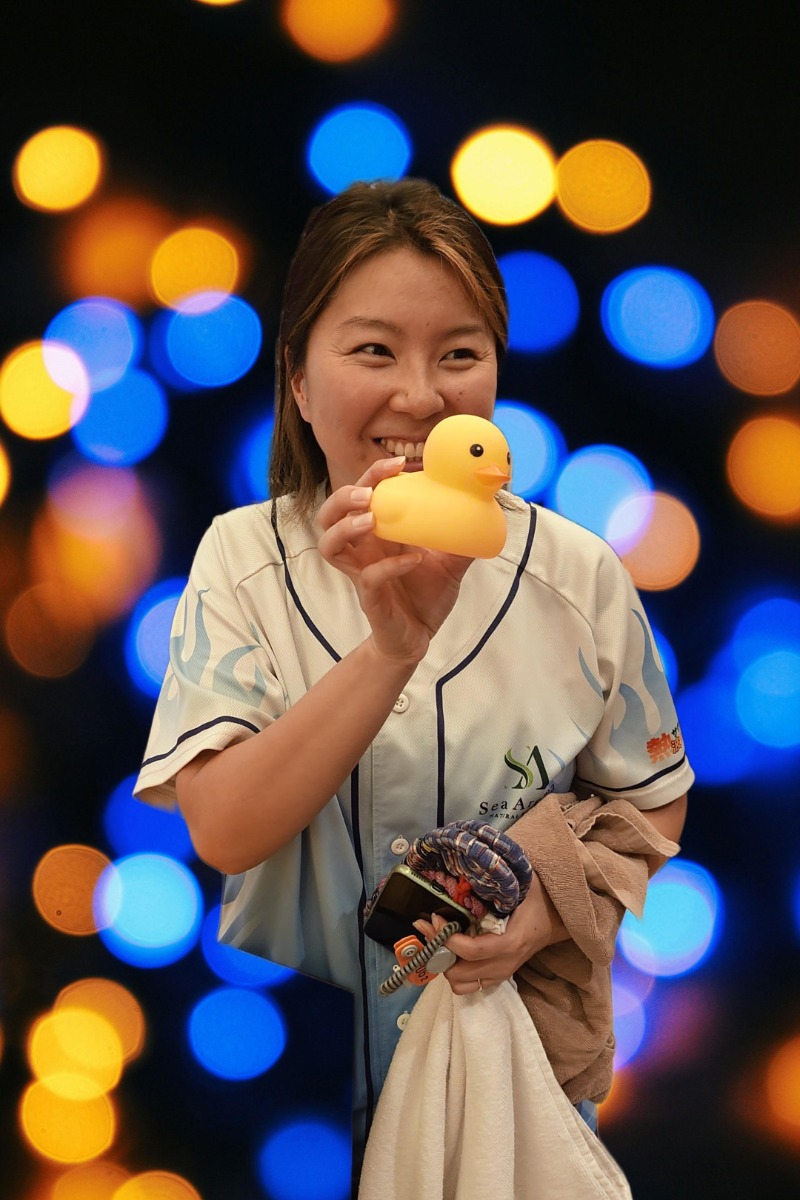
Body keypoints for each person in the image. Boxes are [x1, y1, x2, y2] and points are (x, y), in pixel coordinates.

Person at [133, 178, 692, 1187]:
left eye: (459, 354)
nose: (420, 396)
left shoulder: (575, 572)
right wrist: (390, 648)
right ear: (299, 380)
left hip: (510, 1103)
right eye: (373, 350)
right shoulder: (240, 558)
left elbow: (650, 808)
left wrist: (540, 917)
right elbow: (221, 827)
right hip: (273, 1091)